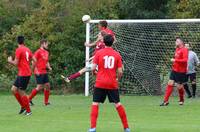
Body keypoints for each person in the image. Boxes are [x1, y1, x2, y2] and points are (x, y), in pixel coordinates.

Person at [88, 34, 130, 132]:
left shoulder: (99, 53)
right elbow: (120, 71)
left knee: (95, 104)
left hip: (100, 83)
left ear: (103, 42)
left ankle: (93, 128)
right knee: (118, 104)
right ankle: (126, 128)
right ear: (112, 42)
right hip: (112, 83)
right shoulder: (117, 54)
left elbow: (93, 68)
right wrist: (117, 79)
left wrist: (94, 73)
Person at [8, 36, 32, 115]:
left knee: (21, 91)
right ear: (23, 41)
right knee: (13, 89)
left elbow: (16, 63)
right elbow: (34, 60)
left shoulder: (19, 50)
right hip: (22, 73)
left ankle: (29, 111)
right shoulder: (27, 49)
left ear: (17, 42)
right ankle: (23, 106)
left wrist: (10, 61)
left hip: (24, 74)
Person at [160, 37, 188, 106]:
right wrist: (175, 62)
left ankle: (181, 99)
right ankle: (165, 101)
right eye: (176, 41)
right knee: (170, 83)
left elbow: (185, 60)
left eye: (177, 41)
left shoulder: (184, 50)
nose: (176, 42)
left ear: (181, 42)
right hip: (174, 70)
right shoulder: (177, 49)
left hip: (181, 72)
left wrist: (175, 60)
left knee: (179, 87)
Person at [28, 39, 52, 105]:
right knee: (39, 87)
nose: (47, 45)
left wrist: (49, 67)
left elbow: (47, 61)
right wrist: (35, 70)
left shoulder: (47, 52)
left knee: (47, 86)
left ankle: (46, 102)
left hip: (44, 71)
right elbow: (33, 61)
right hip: (39, 71)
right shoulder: (38, 51)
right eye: (46, 44)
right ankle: (28, 100)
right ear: (42, 44)